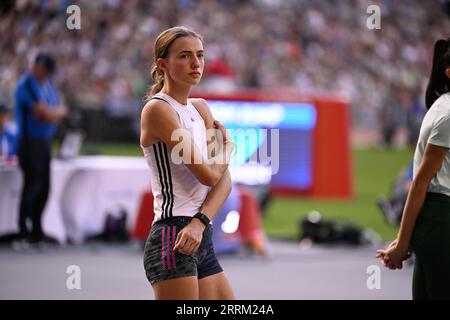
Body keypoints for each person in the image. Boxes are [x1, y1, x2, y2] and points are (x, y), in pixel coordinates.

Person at [140, 26, 235, 300]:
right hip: (173, 235)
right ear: (163, 64)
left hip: (200, 233)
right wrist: (228, 148)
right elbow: (208, 174)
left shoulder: (201, 108)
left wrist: (201, 222)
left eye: (200, 55)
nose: (196, 63)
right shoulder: (158, 109)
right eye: (184, 56)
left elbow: (224, 182)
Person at [377, 38, 450, 300]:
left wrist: (403, 240)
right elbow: (420, 183)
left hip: (433, 221)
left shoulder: (440, 105)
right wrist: (402, 241)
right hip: (441, 220)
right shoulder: (448, 114)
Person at [14, 52, 67, 245]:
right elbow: (42, 113)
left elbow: (60, 109)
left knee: (44, 187)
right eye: (44, 70)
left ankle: (36, 229)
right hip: (29, 142)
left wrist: (52, 113)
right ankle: (22, 231)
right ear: (36, 65)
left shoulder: (47, 85)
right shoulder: (27, 83)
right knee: (32, 186)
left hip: (44, 141)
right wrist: (53, 113)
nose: (46, 74)